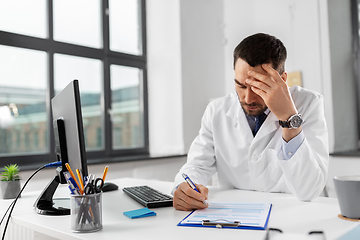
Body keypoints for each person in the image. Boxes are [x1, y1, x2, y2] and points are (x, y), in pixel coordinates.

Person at [172, 33, 329, 211]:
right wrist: (183, 188)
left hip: (293, 214)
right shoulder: (216, 111)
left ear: (282, 80)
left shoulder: (308, 103)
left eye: (258, 86)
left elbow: (309, 190)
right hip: (233, 216)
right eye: (241, 85)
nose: (248, 98)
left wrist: (288, 118)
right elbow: (197, 165)